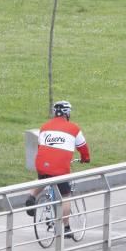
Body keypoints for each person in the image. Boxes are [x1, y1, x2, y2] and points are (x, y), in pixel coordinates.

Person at [26, 101, 91, 239]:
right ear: (67, 113)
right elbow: (83, 148)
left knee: (43, 179)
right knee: (65, 195)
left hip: (42, 163)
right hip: (60, 167)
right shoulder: (73, 128)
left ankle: (31, 196)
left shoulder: (44, 127)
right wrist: (85, 158)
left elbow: (40, 147)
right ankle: (66, 228)